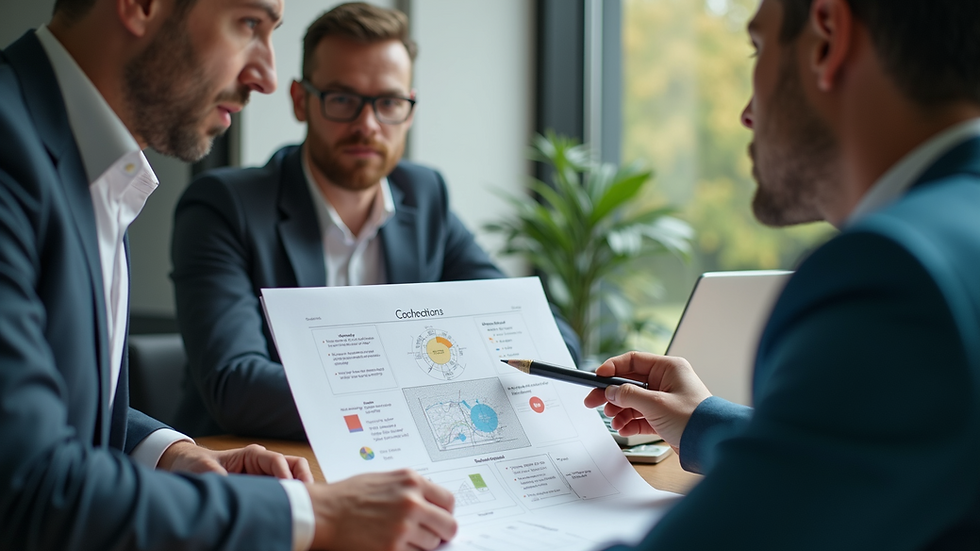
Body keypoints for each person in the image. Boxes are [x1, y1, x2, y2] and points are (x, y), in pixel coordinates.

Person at [0, 0, 457, 549]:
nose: (264, 76)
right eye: (249, 25)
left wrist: (171, 452)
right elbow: (30, 486)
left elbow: (72, 413)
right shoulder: (14, 155)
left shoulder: (87, 164)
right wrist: (311, 514)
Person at [587, 0, 980, 548]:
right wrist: (703, 421)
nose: (746, 114)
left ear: (827, 39)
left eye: (758, 48)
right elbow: (872, 452)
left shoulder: (898, 271)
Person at [170, 2, 581, 440]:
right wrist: (418, 400)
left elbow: (545, 340)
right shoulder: (223, 207)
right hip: (258, 469)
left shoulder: (425, 198)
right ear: (300, 101)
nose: (367, 125)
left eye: (388, 102)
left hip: (399, 465)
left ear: (410, 109)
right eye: (342, 99)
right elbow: (236, 386)